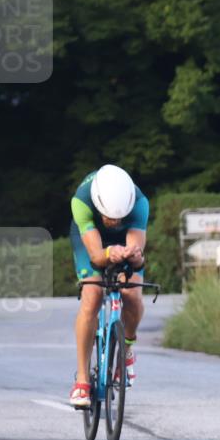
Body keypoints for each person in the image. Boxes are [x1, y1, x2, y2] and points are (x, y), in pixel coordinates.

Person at [68, 165, 150, 408]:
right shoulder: (81, 202)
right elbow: (95, 256)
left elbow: (137, 256)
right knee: (92, 295)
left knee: (132, 294)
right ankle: (82, 379)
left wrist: (134, 256)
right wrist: (107, 252)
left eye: (119, 217)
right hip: (91, 241)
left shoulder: (139, 203)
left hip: (123, 241)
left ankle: (126, 349)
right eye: (109, 217)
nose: (114, 222)